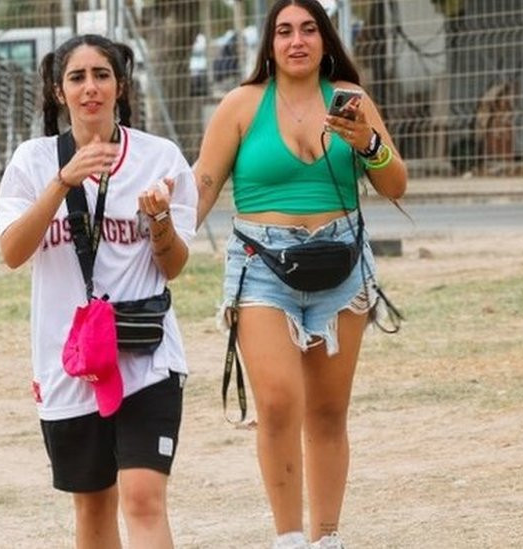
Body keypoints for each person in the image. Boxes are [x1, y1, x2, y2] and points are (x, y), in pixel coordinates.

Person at [194, 1, 407, 548]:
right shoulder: (242, 105)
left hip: (342, 263)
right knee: (279, 402)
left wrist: (368, 143)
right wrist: (159, 233)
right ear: (269, 44)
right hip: (261, 265)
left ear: (324, 39)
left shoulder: (352, 101)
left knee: (329, 411)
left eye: (308, 29)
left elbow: (396, 185)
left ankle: (326, 538)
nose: (297, 41)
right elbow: (202, 185)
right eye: (284, 31)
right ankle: (289, 538)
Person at [0, 34, 197, 548]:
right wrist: (62, 182)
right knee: (92, 508)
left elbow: (172, 266)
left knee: (144, 498)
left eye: (101, 75)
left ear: (120, 86)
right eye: (77, 78)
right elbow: (13, 252)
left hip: (144, 352)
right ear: (58, 92)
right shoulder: (32, 161)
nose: (91, 88)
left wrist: (158, 222)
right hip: (70, 360)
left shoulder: (160, 159)